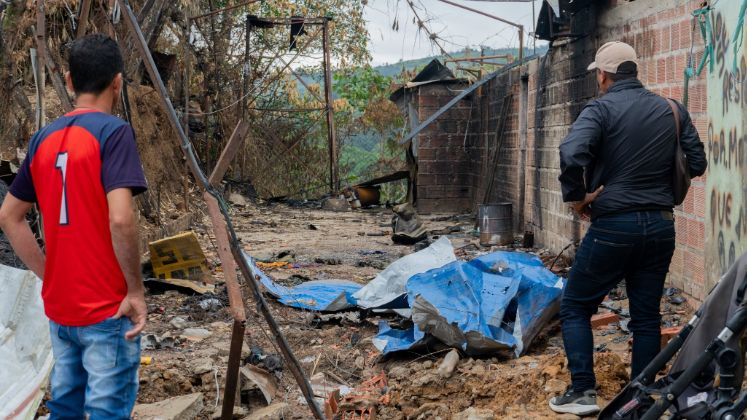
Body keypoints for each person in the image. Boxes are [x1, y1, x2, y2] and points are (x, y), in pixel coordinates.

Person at [549, 41, 707, 415]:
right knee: (646, 316)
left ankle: (582, 392)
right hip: (661, 225)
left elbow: (571, 153)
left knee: (575, 305)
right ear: (633, 71)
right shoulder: (672, 109)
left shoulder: (600, 109)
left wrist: (578, 197)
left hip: (614, 227)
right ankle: (640, 400)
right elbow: (697, 163)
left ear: (603, 75)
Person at [0, 34, 148, 419]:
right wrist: (135, 291)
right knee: (106, 411)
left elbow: (9, 216)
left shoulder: (43, 139)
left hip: (61, 310)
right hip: (107, 307)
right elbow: (121, 218)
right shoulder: (113, 133)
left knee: (65, 407)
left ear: (68, 81)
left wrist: (48, 274)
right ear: (117, 82)